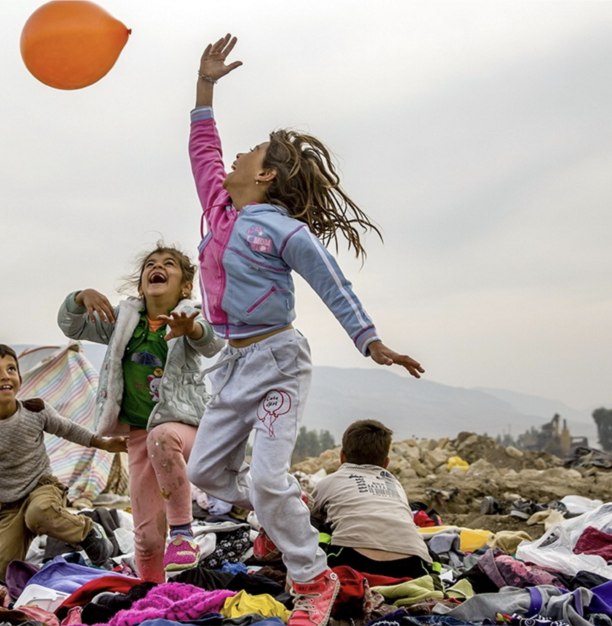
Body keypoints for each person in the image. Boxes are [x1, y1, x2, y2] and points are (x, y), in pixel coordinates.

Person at [184, 34, 425, 626]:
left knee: (264, 476)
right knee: (205, 474)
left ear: (266, 177)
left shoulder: (284, 232)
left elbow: (332, 283)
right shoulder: (219, 207)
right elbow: (203, 150)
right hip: (233, 364)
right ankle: (282, 508)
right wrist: (205, 85)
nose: (236, 157)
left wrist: (370, 340)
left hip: (278, 361)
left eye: (250, 153)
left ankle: (312, 579)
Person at [57, 244, 225, 581]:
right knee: (146, 540)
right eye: (150, 264)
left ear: (185, 286)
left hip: (186, 428)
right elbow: (71, 328)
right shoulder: (125, 321)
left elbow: (212, 342)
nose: (156, 267)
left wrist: (189, 328)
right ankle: (152, 596)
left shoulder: (190, 314)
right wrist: (79, 297)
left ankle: (182, 533)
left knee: (164, 436)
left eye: (167, 264)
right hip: (139, 436)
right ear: (141, 284)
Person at [0, 343, 127, 581]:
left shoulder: (36, 410)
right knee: (3, 571)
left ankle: (87, 531)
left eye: (11, 369)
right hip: (8, 506)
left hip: (43, 489)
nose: (5, 375)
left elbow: (67, 429)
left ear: (19, 377)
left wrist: (102, 443)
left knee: (39, 513)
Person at [310, 420, 434, 580]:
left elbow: (310, 516)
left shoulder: (330, 481)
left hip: (353, 563)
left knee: (313, 522)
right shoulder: (395, 484)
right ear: (386, 463)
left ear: (342, 456)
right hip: (413, 566)